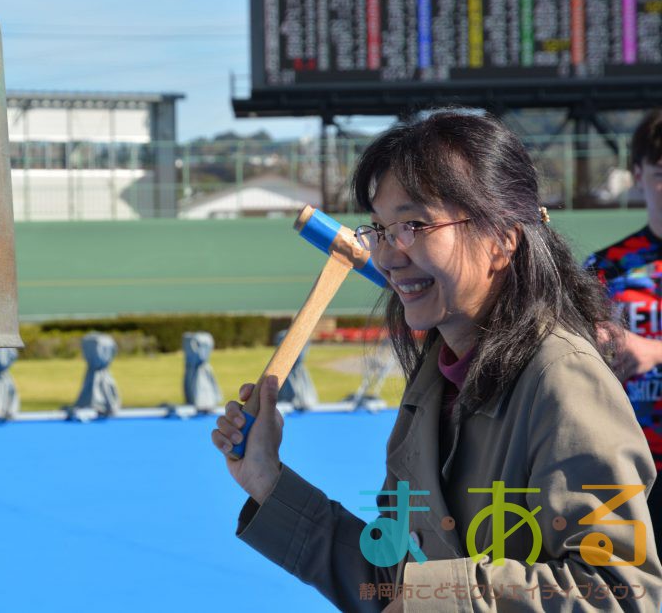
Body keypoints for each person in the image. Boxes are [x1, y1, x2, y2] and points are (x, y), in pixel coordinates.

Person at [212, 111, 662, 612]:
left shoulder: (564, 379)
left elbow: (621, 593)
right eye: (380, 229)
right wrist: (268, 483)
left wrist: (438, 596)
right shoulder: (434, 382)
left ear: (502, 239)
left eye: (414, 225)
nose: (387, 254)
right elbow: (390, 578)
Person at [585, 108, 662, 554]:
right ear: (637, 175)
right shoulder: (606, 267)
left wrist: (654, 351)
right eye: (660, 173)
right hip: (625, 473)